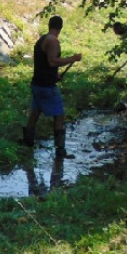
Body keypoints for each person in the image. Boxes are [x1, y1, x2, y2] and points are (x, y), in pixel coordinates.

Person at [22, 16, 82, 159]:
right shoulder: (53, 41)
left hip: (37, 84)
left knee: (35, 112)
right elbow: (52, 62)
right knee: (59, 115)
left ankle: (28, 141)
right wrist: (72, 59)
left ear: (49, 25)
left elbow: (43, 63)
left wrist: (55, 76)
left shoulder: (42, 39)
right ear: (60, 28)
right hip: (46, 87)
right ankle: (60, 150)